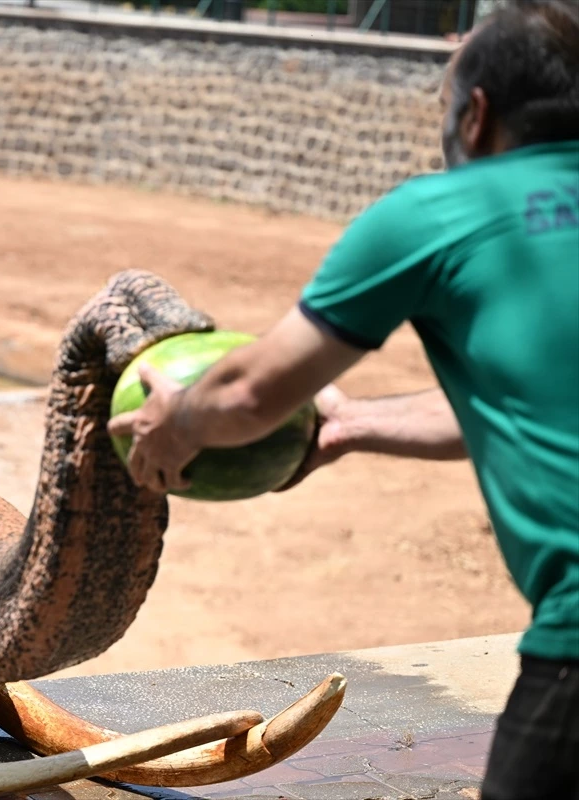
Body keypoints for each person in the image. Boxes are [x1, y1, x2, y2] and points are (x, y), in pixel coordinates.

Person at [107, 2, 579, 797]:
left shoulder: (437, 214)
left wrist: (176, 420)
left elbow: (254, 392)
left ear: (475, 112)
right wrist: (354, 425)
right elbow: (526, 406)